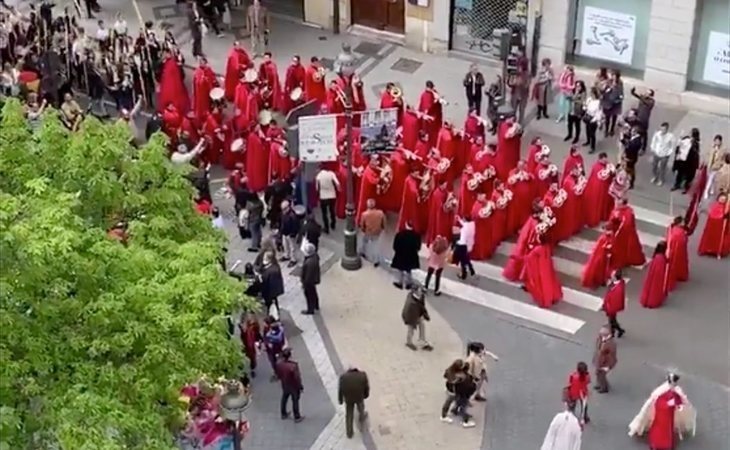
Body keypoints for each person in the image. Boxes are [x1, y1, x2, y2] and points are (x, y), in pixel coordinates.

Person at [628, 372, 697, 448]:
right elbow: (658, 402)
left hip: (668, 414)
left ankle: (664, 444)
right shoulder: (662, 390)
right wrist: (669, 404)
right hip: (662, 413)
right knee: (660, 428)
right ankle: (658, 443)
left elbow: (678, 400)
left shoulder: (675, 390)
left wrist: (678, 405)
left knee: (666, 429)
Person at [609, 199, 646, 268]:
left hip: (621, 234)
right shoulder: (629, 211)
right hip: (628, 233)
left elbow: (623, 224)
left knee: (621, 249)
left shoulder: (619, 212)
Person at [583, 153, 616, 227]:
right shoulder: (596, 167)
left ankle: (604, 216)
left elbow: (612, 175)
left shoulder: (608, 166)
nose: (605, 161)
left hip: (606, 189)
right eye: (604, 160)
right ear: (600, 159)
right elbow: (596, 179)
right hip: (599, 190)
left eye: (606, 159)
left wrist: (613, 172)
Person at [338, 365, 370, 439]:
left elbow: (340, 390)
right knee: (361, 408)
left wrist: (340, 400)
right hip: (359, 397)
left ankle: (349, 432)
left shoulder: (343, 378)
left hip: (348, 399)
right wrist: (366, 395)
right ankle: (362, 423)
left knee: (349, 414)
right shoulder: (362, 375)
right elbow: (366, 387)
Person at [276, 348, 304, 422]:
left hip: (285, 384)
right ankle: (297, 416)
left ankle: (283, 413)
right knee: (295, 400)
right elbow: (297, 378)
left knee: (284, 398)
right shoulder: (293, 366)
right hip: (293, 386)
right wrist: (300, 386)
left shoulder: (279, 364)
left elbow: (278, 375)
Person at [401, 284, 433, 351]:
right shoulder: (412, 303)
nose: (421, 292)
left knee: (422, 325)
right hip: (410, 317)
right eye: (419, 290)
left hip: (417, 314)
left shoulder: (420, 296)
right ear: (415, 291)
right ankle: (409, 343)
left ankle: (422, 341)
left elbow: (422, 306)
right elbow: (410, 313)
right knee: (411, 330)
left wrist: (425, 315)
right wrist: (414, 323)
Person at [698, 192, 730, 258]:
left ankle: (717, 252)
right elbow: (710, 213)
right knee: (708, 237)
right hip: (711, 225)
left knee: (718, 239)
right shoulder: (714, 205)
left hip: (719, 226)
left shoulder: (726, 207)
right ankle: (705, 249)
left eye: (724, 199)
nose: (722, 200)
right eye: (721, 198)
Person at [391, 221, 422, 289]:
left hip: (401, 255)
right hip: (411, 257)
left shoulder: (400, 234)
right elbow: (418, 247)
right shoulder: (416, 236)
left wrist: (398, 251)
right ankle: (408, 284)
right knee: (408, 270)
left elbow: (395, 246)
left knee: (400, 269)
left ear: (406, 225)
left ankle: (400, 283)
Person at [640, 241, 669, 308]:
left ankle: (646, 300)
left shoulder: (656, 256)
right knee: (654, 289)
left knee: (649, 286)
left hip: (652, 275)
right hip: (657, 277)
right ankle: (652, 302)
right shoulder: (661, 259)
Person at [672, 128, 701, 194]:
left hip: (689, 162)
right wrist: (680, 139)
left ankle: (686, 187)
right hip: (682, 159)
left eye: (691, 132)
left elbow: (695, 153)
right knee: (680, 173)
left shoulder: (695, 144)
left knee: (687, 176)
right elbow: (680, 144)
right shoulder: (686, 138)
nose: (689, 133)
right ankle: (677, 184)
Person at [359, 198, 386, 267]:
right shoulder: (380, 213)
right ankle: (376, 260)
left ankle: (363, 252)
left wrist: (363, 230)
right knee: (375, 246)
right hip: (377, 232)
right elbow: (384, 222)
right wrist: (382, 228)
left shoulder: (364, 214)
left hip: (368, 232)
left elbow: (362, 225)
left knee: (364, 242)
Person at [665, 216, 689, 292]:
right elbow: (683, 241)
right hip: (678, 251)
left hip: (672, 249)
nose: (684, 224)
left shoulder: (672, 229)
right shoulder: (680, 232)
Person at [649, 122, 676, 186]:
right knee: (654, 167)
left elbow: (672, 146)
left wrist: (668, 153)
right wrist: (653, 148)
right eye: (661, 129)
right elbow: (654, 141)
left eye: (663, 129)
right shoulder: (657, 134)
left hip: (664, 155)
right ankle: (655, 176)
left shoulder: (670, 136)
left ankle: (661, 180)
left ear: (667, 129)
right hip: (657, 153)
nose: (662, 131)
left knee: (662, 168)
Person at [315, 164, 340, 233]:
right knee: (332, 210)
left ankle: (326, 228)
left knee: (324, 213)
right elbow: (337, 183)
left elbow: (317, 188)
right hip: (332, 195)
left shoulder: (318, 176)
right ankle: (333, 224)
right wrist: (338, 189)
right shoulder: (331, 173)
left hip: (323, 196)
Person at [592, 326, 617, 393]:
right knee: (597, 374)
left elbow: (611, 357)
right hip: (599, 361)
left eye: (603, 335)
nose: (601, 336)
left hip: (605, 364)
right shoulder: (600, 339)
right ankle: (599, 384)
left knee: (602, 376)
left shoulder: (611, 344)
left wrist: (608, 367)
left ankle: (604, 388)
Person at [630, 87, 655, 153]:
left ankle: (643, 148)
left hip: (644, 119)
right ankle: (634, 144)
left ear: (651, 95)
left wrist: (640, 97)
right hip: (638, 117)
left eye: (648, 93)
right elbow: (638, 98)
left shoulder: (651, 101)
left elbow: (646, 102)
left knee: (643, 134)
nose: (646, 93)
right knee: (635, 130)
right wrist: (633, 92)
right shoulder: (642, 98)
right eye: (646, 92)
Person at [603, 269, 626, 337]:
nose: (611, 275)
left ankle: (613, 333)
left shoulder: (618, 289)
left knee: (611, 321)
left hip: (612, 307)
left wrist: (607, 307)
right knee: (612, 320)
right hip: (610, 306)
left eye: (612, 275)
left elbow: (614, 300)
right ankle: (618, 331)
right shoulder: (616, 283)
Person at [260, 252, 284, 316]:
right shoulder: (275, 266)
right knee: (273, 301)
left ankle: (272, 314)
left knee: (270, 302)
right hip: (272, 289)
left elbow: (266, 280)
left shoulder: (271, 270)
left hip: (270, 290)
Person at [601, 70, 624, 138]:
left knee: (614, 117)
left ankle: (612, 129)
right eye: (612, 75)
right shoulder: (608, 82)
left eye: (614, 75)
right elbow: (603, 90)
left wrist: (619, 98)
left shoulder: (620, 83)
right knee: (607, 117)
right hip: (608, 102)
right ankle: (606, 130)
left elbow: (621, 92)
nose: (613, 77)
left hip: (615, 103)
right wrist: (606, 88)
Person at [300, 242, 320, 315]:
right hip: (313, 280)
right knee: (314, 292)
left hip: (309, 282)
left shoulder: (309, 262)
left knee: (309, 295)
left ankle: (310, 310)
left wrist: (304, 284)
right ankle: (316, 305)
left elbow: (307, 276)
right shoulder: (315, 257)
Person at [239, 314, 262, 378]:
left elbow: (257, 335)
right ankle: (251, 368)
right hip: (248, 345)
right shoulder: (247, 330)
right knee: (251, 357)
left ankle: (252, 369)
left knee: (252, 357)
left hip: (250, 345)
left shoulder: (250, 329)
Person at [279, 201, 301, 267]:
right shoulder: (284, 214)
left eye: (284, 209)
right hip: (285, 233)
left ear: (288, 207)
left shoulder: (292, 215)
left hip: (290, 234)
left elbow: (295, 226)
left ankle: (293, 259)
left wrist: (293, 234)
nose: (283, 210)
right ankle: (286, 255)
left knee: (292, 247)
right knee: (285, 245)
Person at [704, 134, 725, 199]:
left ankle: (707, 190)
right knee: (711, 178)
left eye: (718, 141)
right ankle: (709, 190)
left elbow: (724, 159)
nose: (717, 142)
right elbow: (707, 155)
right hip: (710, 166)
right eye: (716, 141)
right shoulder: (712, 147)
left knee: (711, 179)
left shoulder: (723, 149)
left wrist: (721, 165)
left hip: (717, 167)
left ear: (721, 142)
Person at [582, 88, 603, 154]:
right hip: (588, 116)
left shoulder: (598, 102)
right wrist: (584, 106)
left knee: (592, 134)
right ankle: (588, 141)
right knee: (587, 130)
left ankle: (592, 147)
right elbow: (585, 108)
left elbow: (599, 112)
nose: (590, 94)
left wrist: (595, 120)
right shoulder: (589, 99)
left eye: (591, 93)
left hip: (593, 119)